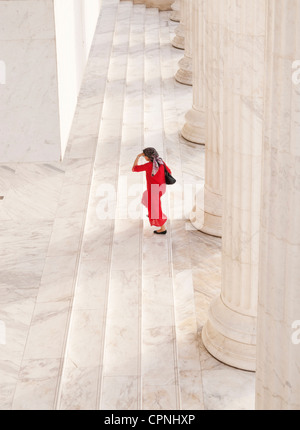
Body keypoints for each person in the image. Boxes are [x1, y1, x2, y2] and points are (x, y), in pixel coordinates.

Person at [132, 147, 171, 235]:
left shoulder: (149, 165)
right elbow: (169, 171)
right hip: (161, 188)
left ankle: (163, 228)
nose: (143, 157)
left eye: (144, 156)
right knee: (145, 196)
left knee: (156, 210)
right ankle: (151, 212)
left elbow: (134, 168)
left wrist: (138, 157)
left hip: (154, 190)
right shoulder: (160, 161)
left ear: (147, 157)